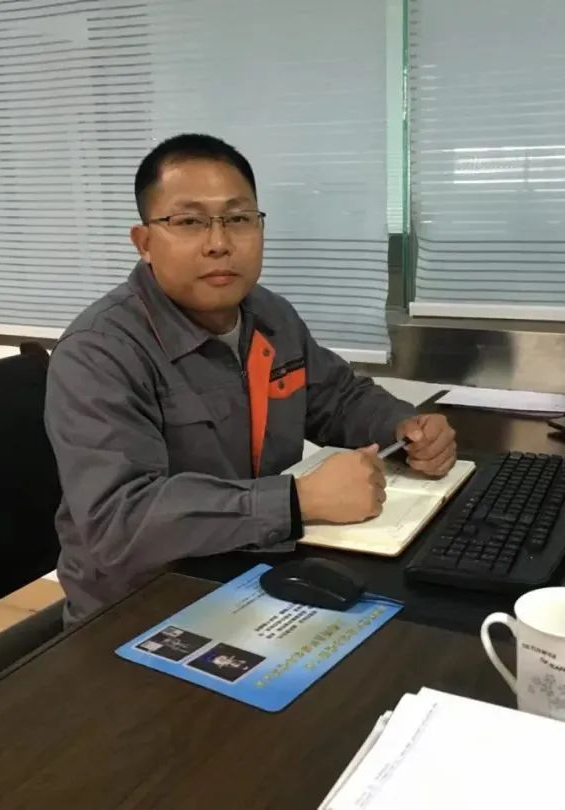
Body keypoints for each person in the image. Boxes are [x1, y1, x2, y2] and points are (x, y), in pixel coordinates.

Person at [45, 133, 456, 623]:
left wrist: (405, 428)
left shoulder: (270, 315)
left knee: (433, 622)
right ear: (145, 243)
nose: (219, 243)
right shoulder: (99, 351)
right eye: (189, 222)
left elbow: (338, 398)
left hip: (258, 571)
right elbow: (118, 521)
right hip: (142, 609)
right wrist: (297, 501)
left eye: (238, 219)